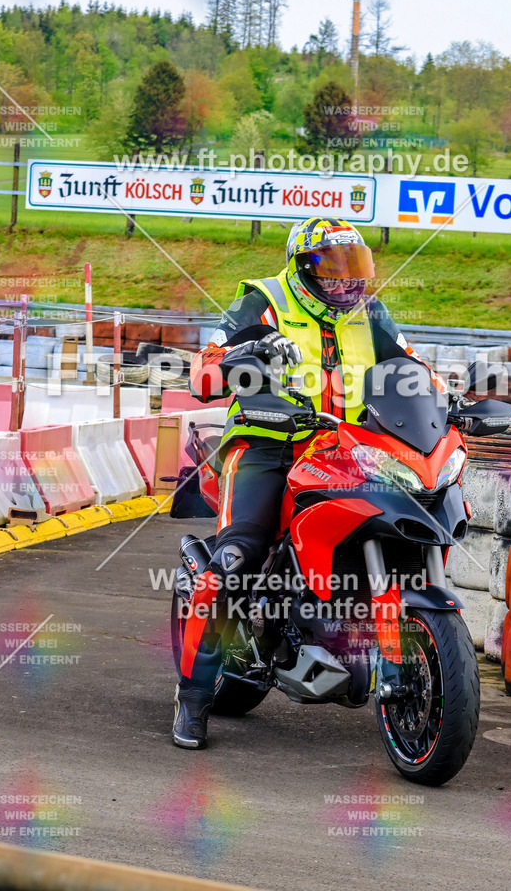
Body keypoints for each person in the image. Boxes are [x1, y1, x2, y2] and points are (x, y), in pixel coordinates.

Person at [172, 216, 445, 749]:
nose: (348, 282)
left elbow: (411, 368)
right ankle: (192, 699)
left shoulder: (373, 315)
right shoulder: (264, 301)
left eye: (356, 269)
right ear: (303, 269)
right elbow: (203, 373)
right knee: (236, 558)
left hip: (347, 449)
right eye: (333, 270)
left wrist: (445, 398)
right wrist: (243, 359)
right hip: (266, 446)